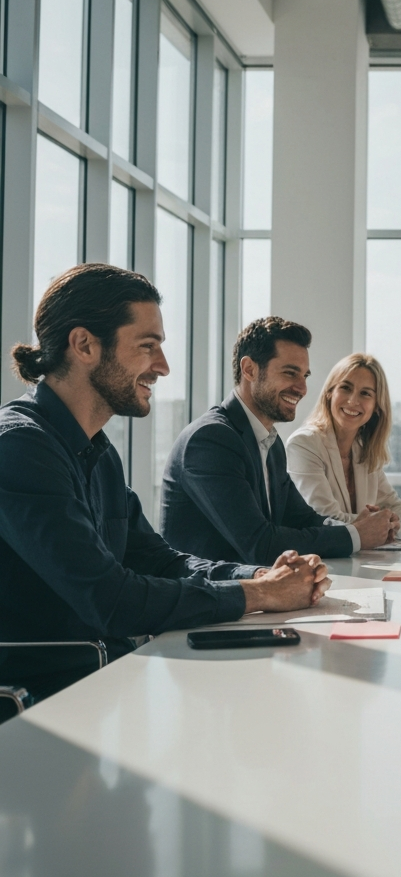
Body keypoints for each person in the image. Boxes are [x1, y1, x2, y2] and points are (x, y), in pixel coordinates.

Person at [0, 265, 331, 699]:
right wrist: (258, 593)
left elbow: (162, 561)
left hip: (106, 683)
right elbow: (111, 599)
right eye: (147, 346)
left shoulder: (98, 452)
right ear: (84, 345)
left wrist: (265, 575)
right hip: (45, 706)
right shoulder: (21, 448)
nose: (163, 366)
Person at [161, 318, 393, 565]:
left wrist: (357, 526)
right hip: (210, 597)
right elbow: (260, 543)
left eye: (304, 376)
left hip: (257, 590)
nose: (302, 388)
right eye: (290, 373)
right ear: (249, 369)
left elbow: (302, 518)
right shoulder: (210, 440)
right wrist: (356, 535)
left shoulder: (271, 443)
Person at [286, 353, 401, 540]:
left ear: (376, 406)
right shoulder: (303, 445)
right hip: (320, 559)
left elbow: (391, 504)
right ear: (329, 393)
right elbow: (325, 518)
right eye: (346, 388)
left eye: (365, 393)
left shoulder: (363, 448)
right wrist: (388, 523)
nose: (352, 401)